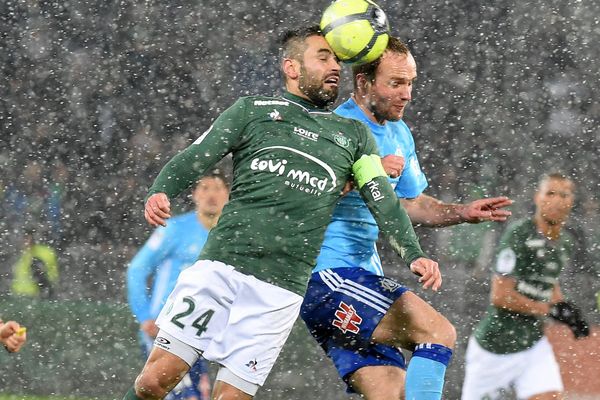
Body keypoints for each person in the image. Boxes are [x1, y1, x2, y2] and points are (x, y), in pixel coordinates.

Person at [123, 25, 440, 400]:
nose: (333, 66)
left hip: (280, 292)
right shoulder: (252, 111)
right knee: (153, 382)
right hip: (223, 269)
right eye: (322, 57)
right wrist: (162, 189)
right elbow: (197, 156)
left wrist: (413, 252)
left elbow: (383, 201)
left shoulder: (354, 135)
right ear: (291, 67)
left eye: (337, 58)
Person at [300, 37, 513, 400]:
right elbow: (302, 195)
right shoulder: (334, 128)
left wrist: (461, 212)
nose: (407, 94)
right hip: (327, 276)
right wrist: (368, 171)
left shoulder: (399, 134)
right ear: (364, 83)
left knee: (393, 393)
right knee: (438, 333)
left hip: (361, 279)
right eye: (396, 83)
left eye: (411, 82)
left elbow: (411, 203)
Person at [462, 173, 590, 400]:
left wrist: (568, 311)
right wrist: (550, 311)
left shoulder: (565, 243)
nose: (558, 200)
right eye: (550, 193)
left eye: (564, 194)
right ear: (537, 198)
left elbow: (551, 283)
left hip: (532, 345)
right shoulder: (519, 234)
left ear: (571, 201)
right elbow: (500, 296)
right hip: (494, 348)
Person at [127, 171, 230, 400]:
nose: (211, 195)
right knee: (180, 395)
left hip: (206, 331)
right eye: (204, 188)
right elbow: (137, 270)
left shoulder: (233, 235)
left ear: (228, 194)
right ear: (194, 195)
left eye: (217, 188)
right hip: (166, 327)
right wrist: (145, 316)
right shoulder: (174, 229)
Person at [12, 228, 59, 299]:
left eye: (26, 238)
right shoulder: (21, 255)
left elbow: (45, 278)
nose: (24, 241)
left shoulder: (43, 253)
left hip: (35, 297)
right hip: (19, 296)